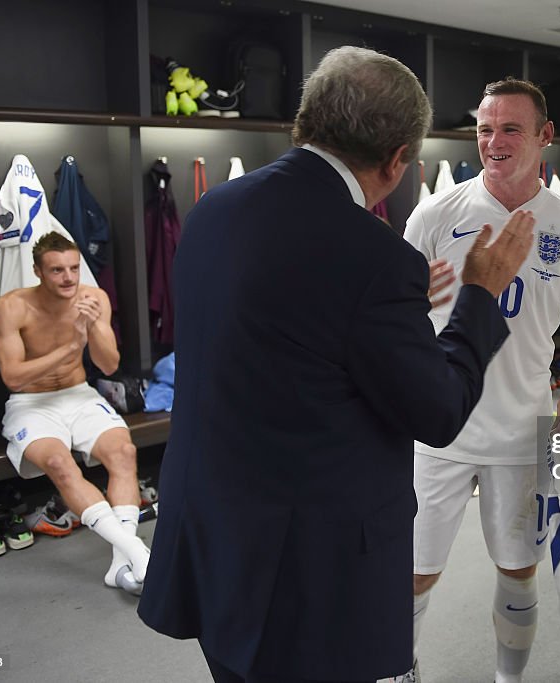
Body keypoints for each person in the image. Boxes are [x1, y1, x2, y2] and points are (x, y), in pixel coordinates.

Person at [137, 47, 534, 683]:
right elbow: (437, 411)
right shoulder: (372, 256)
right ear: (399, 158)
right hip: (302, 568)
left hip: (212, 529)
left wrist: (388, 316)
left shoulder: (216, 209)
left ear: (307, 121)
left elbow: (284, 342)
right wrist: (480, 297)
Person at [401, 78, 560, 683]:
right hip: (437, 426)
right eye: (485, 129)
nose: (494, 141)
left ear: (545, 136)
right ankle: (398, 671)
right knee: (414, 573)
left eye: (510, 128)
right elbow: (391, 312)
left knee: (518, 569)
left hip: (521, 433)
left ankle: (507, 680)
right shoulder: (436, 213)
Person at [0, 232, 149, 595]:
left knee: (124, 452)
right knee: (62, 465)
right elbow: (12, 375)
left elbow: (108, 365)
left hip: (79, 395)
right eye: (57, 270)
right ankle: (137, 552)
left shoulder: (94, 299)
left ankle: (121, 564)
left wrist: (92, 327)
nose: (69, 278)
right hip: (30, 403)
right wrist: (71, 346)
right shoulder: (11, 307)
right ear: (38, 271)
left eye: (75, 269)